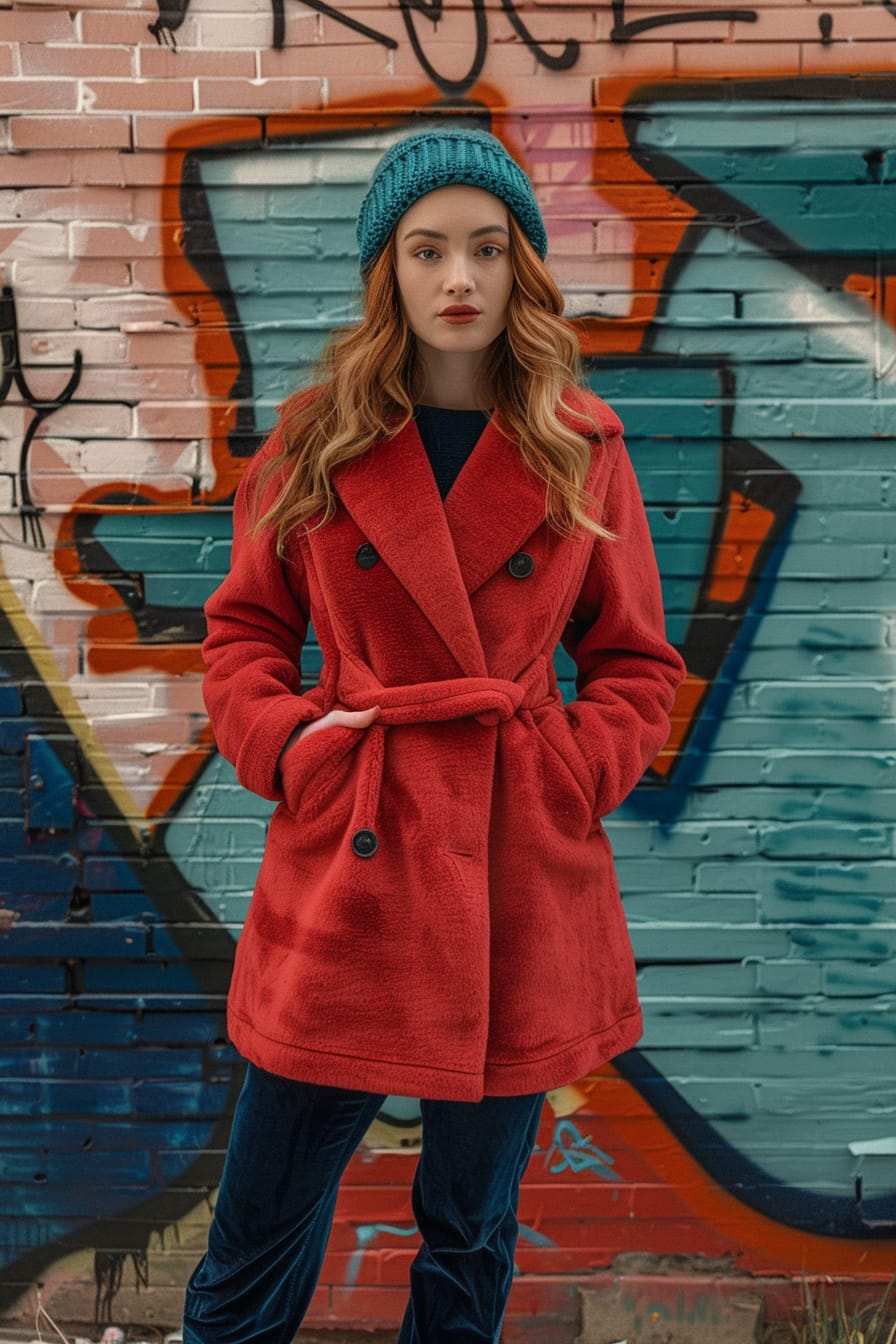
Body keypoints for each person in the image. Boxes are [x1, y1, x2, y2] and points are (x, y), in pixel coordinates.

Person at [183, 127, 686, 1344]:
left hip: (517, 871)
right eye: (425, 249)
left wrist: (570, 767)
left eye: (484, 247)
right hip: (352, 856)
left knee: (467, 1232)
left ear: (519, 268)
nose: (457, 276)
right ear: (387, 272)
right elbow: (242, 634)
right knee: (256, 1228)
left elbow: (632, 662)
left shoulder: (582, 446)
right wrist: (296, 747)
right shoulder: (313, 439)